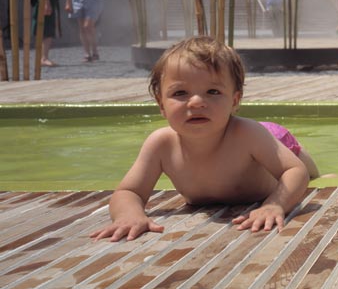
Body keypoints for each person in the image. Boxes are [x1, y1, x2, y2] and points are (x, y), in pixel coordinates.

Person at [90, 37, 317, 242]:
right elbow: (129, 192)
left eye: (213, 92)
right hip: (258, 144)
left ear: (235, 100)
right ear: (161, 105)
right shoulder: (161, 145)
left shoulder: (248, 134)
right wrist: (130, 214)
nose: (197, 102)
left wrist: (275, 204)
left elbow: (296, 171)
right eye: (180, 93)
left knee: (315, 174)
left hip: (274, 139)